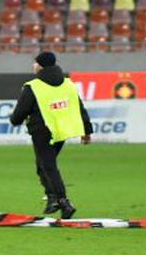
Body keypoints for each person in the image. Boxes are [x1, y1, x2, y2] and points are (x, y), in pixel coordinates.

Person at [8, 52, 92, 219]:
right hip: (62, 131)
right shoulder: (68, 84)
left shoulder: (33, 86)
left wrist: (15, 120)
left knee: (48, 166)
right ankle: (52, 199)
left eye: (35, 63)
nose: (33, 66)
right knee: (43, 165)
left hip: (42, 131)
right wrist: (86, 131)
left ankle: (63, 201)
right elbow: (80, 108)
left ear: (40, 65)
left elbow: (20, 112)